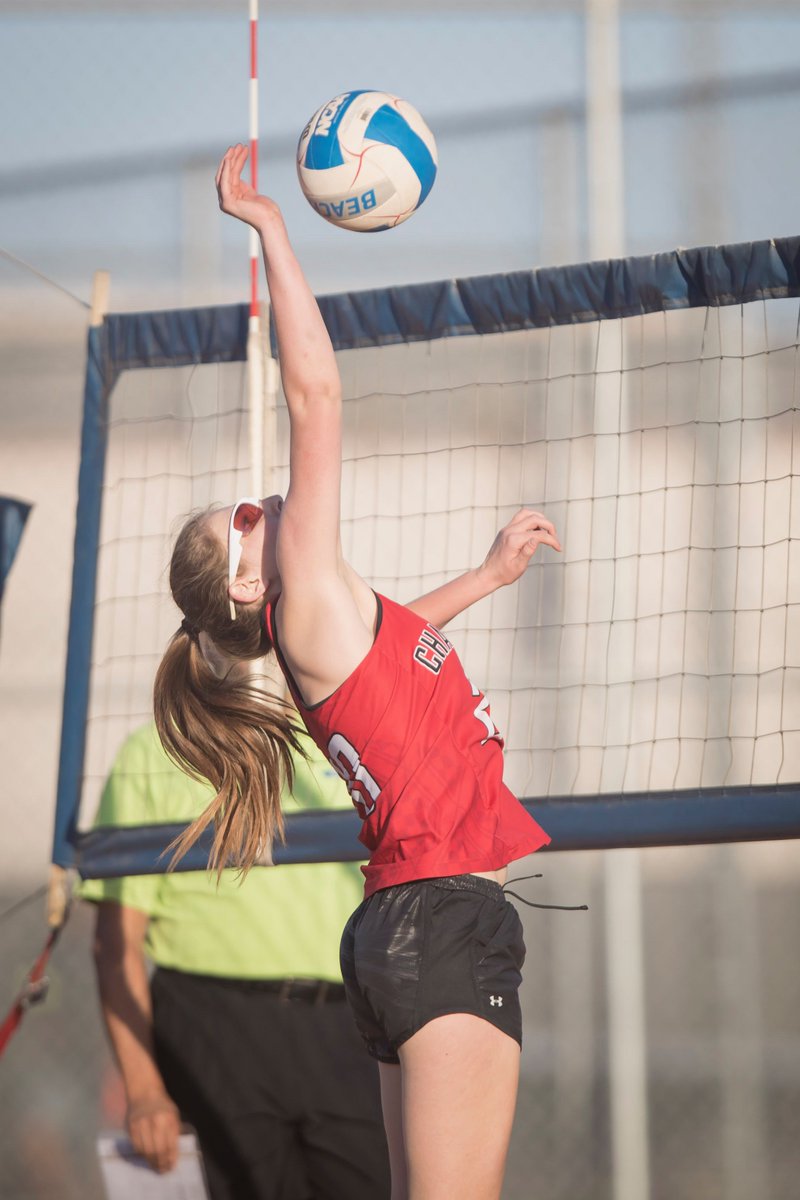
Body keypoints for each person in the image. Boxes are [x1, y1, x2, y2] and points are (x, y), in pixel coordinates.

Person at [153, 143, 561, 1200]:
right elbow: (318, 397)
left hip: (396, 932)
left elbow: (397, 640)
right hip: (442, 922)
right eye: (241, 523)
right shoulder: (303, 591)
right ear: (249, 588)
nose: (257, 505)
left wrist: (481, 576)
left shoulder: (321, 627)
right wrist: (273, 230)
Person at [81, 720, 391, 1200]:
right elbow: (114, 945)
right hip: (210, 1029)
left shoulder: (355, 739)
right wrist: (143, 1090)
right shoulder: (157, 750)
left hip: (350, 1031)